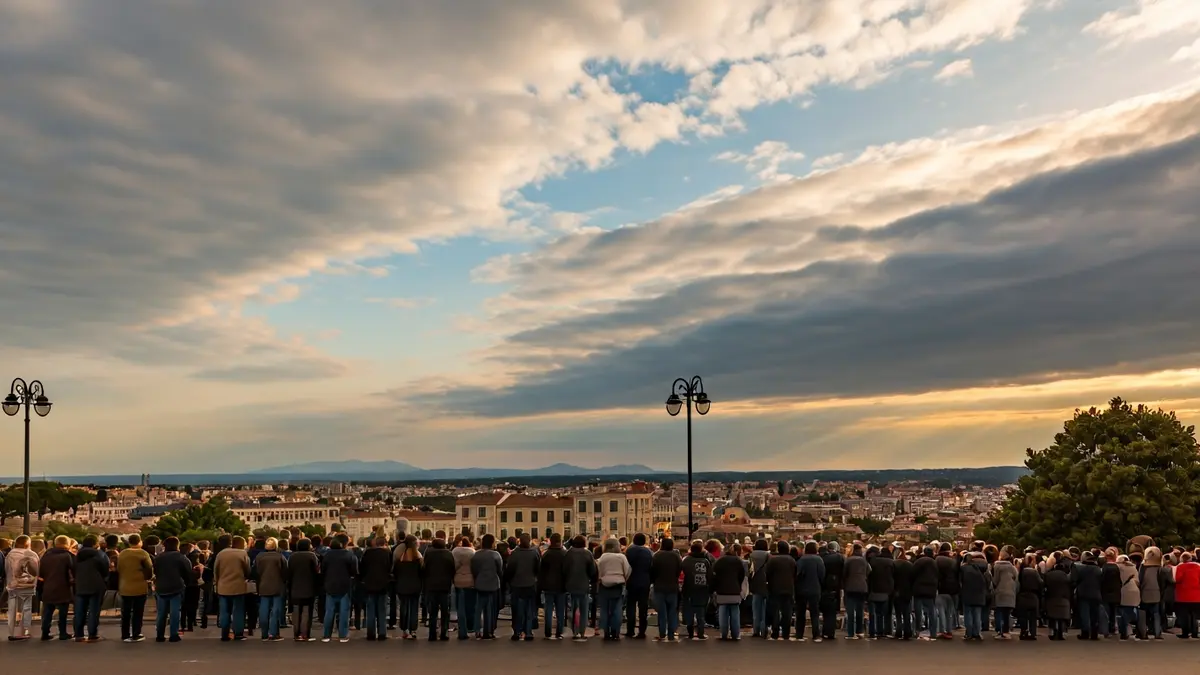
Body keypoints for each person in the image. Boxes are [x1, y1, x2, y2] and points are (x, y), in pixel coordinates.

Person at [151, 536, 192, 643]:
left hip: (161, 587)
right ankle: (173, 634)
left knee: (161, 613)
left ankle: (160, 635)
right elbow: (188, 572)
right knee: (175, 612)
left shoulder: (159, 558)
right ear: (177, 545)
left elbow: (155, 571)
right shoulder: (180, 557)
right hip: (176, 587)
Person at [213, 535, 251, 641]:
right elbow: (247, 570)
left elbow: (216, 570)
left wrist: (217, 582)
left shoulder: (221, 554)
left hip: (223, 586)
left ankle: (224, 633)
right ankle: (238, 633)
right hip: (238, 585)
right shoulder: (243, 554)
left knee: (224, 610)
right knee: (238, 610)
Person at [117, 533, 154, 643]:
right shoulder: (143, 553)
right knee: (138, 611)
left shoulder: (122, 553)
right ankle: (136, 633)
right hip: (139, 586)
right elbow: (149, 568)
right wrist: (148, 578)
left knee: (126, 612)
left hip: (125, 586)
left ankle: (125, 634)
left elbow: (119, 568)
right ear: (139, 542)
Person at [321, 535, 359, 643]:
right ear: (344, 543)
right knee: (344, 612)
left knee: (329, 611)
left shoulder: (327, 555)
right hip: (344, 586)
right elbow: (354, 571)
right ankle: (342, 635)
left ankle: (326, 635)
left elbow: (323, 570)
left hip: (329, 585)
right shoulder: (349, 555)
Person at [73, 535, 109, 642]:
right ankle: (92, 634)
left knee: (79, 610)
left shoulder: (77, 555)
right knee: (94, 610)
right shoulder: (100, 555)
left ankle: (78, 634)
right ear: (95, 544)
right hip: (96, 585)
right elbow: (105, 570)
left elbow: (73, 568)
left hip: (80, 584)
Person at [39, 535, 75, 642]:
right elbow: (73, 570)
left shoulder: (46, 556)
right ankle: (62, 633)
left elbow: (41, 573)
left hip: (48, 588)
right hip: (63, 588)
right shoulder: (67, 556)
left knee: (47, 612)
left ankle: (45, 633)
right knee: (62, 613)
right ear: (67, 544)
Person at [506, 532, 541, 641]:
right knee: (529, 609)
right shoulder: (534, 553)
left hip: (517, 584)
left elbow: (509, 570)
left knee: (517, 609)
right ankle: (528, 631)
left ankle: (517, 631)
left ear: (519, 541)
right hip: (530, 583)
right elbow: (538, 569)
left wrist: (509, 581)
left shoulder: (515, 554)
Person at [596, 537, 631, 641]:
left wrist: (600, 579)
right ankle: (616, 632)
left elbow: (599, 571)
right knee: (617, 609)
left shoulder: (602, 557)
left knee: (604, 609)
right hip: (617, 585)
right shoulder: (621, 557)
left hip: (604, 585)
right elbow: (628, 570)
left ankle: (606, 632)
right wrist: (624, 579)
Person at [564, 535, 598, 641]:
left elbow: (564, 569)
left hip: (571, 584)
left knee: (573, 608)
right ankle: (582, 630)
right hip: (583, 584)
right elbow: (593, 570)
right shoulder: (587, 553)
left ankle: (575, 630)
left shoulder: (569, 553)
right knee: (584, 609)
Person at [254, 537, 288, 642]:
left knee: (264, 609)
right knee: (275, 611)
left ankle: (264, 633)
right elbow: (285, 572)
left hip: (263, 586)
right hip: (277, 586)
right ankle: (273, 633)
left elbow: (255, 571)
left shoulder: (259, 557)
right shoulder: (279, 557)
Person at [285, 538, 320, 642]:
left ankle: (296, 633)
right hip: (309, 586)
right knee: (307, 611)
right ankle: (305, 634)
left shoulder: (292, 556)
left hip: (295, 586)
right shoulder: (311, 556)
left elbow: (289, 572)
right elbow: (316, 571)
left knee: (296, 611)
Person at [471, 534, 503, 640]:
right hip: (492, 583)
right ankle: (488, 631)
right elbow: (500, 570)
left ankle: (477, 630)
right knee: (490, 608)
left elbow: (474, 570)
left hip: (480, 583)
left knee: (478, 608)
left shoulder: (476, 555)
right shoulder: (495, 555)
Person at [422, 537, 455, 641]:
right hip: (445, 586)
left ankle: (432, 634)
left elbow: (424, 568)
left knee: (433, 611)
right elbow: (452, 568)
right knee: (445, 611)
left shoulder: (429, 554)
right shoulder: (448, 554)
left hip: (431, 585)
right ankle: (443, 633)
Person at [650, 537, 683, 641]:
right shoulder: (676, 556)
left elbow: (652, 571)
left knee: (662, 612)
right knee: (672, 611)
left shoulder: (657, 556)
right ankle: (671, 634)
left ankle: (662, 633)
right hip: (673, 586)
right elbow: (679, 570)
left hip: (659, 586)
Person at [713, 540, 747, 641]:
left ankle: (724, 633)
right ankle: (735, 634)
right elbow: (742, 576)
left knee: (723, 613)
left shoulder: (719, 561)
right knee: (735, 613)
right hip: (735, 590)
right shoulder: (738, 561)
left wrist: (714, 588)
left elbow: (714, 576)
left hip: (722, 590)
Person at [682, 539, 714, 641]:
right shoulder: (705, 561)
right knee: (700, 613)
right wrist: (711, 589)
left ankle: (690, 632)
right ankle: (701, 633)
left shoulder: (686, 560)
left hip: (688, 589)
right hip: (702, 590)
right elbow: (710, 576)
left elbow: (682, 574)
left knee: (689, 611)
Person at [623, 532, 653, 639]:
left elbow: (626, 566)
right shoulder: (649, 552)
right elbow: (651, 567)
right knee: (643, 607)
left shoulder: (629, 551)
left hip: (631, 581)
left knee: (630, 606)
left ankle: (630, 630)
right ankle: (642, 631)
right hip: (644, 581)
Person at [538, 532, 568, 640]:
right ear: (560, 541)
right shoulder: (565, 554)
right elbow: (567, 571)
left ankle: (548, 631)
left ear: (551, 541)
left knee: (548, 610)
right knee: (560, 610)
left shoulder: (546, 554)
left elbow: (541, 572)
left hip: (548, 585)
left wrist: (540, 586)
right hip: (561, 586)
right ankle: (559, 632)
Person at [795, 541, 825, 641]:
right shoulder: (819, 559)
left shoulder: (801, 560)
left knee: (800, 613)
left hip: (801, 589)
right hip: (815, 589)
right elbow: (822, 575)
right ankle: (816, 634)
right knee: (815, 613)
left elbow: (797, 574)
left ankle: (799, 634)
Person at [1071, 550, 1103, 640]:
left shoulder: (1080, 568)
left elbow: (1074, 580)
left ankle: (1085, 632)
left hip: (1083, 593)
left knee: (1084, 614)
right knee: (1095, 614)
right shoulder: (1098, 569)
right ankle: (1094, 633)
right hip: (1096, 594)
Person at [866, 545, 894, 640]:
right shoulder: (890, 563)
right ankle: (882, 632)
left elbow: (868, 577)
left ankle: (872, 632)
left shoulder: (872, 562)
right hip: (886, 591)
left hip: (873, 590)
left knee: (873, 613)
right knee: (883, 613)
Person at [452, 535, 477, 640]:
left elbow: (453, 566)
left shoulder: (454, 552)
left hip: (458, 580)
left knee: (460, 606)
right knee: (470, 606)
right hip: (470, 581)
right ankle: (470, 626)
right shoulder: (472, 552)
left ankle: (462, 628)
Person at [843, 543, 870, 639]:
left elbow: (844, 573)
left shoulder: (848, 560)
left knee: (850, 611)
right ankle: (860, 631)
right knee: (860, 610)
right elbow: (869, 571)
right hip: (862, 587)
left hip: (850, 587)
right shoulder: (864, 561)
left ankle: (851, 633)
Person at [991, 548, 1018, 639]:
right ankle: (1006, 632)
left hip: (1000, 592)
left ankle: (999, 631)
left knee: (999, 611)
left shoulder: (997, 566)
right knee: (1007, 613)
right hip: (1010, 592)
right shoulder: (1013, 568)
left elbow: (995, 581)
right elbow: (1016, 579)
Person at [1015, 553, 1042, 640]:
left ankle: (1023, 631)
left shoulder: (1021, 572)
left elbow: (1017, 584)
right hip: (1033, 595)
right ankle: (1032, 633)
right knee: (1032, 617)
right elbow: (1041, 583)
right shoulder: (1035, 572)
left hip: (1022, 595)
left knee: (1023, 615)